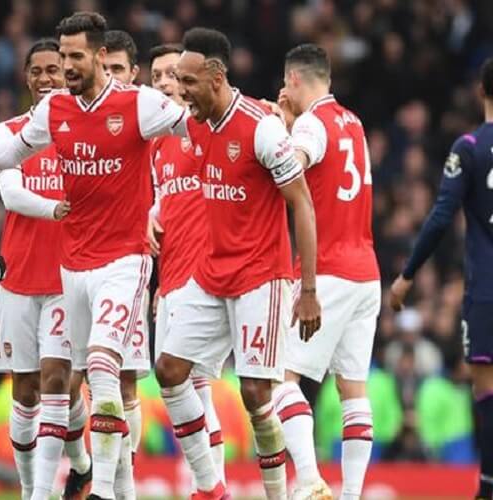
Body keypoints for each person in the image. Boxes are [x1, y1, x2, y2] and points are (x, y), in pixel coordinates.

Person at [0, 12, 189, 500]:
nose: (67, 66)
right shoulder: (55, 111)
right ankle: (112, 488)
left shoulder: (138, 104)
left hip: (124, 260)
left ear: (99, 56)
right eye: (62, 56)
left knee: (103, 367)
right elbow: (11, 152)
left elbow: (197, 123)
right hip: (72, 265)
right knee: (75, 383)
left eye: (75, 57)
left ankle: (104, 491)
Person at [156, 28, 320, 500]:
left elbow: (302, 204)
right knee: (169, 370)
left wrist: (307, 290)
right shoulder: (195, 124)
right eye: (178, 81)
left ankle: (278, 494)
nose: (181, 91)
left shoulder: (261, 128)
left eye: (188, 82)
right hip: (212, 275)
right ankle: (211, 488)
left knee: (255, 395)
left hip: (260, 279)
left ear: (216, 77)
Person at [266, 43, 380, 500]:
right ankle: (351, 494)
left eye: (285, 84)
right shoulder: (354, 122)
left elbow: (291, 167)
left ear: (293, 80)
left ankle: (311, 481)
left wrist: (281, 128)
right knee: (353, 390)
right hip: (366, 271)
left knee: (281, 377)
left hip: (328, 269)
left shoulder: (311, 124)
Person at [389, 57, 493, 500]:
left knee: (486, 386)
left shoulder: (468, 147)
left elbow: (440, 217)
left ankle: (487, 485)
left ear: (480, 92)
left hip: (487, 289)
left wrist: (407, 275)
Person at [0, 38, 86, 500]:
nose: (46, 78)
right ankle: (54, 476)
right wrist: (56, 209)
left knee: (57, 380)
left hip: (67, 277)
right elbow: (11, 195)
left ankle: (40, 492)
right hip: (19, 279)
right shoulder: (8, 133)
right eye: (38, 70)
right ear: (26, 77)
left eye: (54, 69)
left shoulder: (83, 132)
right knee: (24, 390)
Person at [145, 43, 226, 487]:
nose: (163, 83)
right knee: (182, 387)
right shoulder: (158, 144)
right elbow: (165, 206)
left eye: (171, 74)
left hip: (206, 274)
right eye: (155, 76)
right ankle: (210, 485)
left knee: (191, 384)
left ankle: (211, 486)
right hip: (172, 276)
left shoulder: (206, 129)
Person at [101, 29, 151, 499]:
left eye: (118, 69)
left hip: (133, 264)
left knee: (126, 378)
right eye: (106, 69)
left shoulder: (146, 118)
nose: (111, 77)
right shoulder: (85, 115)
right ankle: (89, 474)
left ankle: (124, 486)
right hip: (85, 264)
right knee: (84, 379)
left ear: (134, 74)